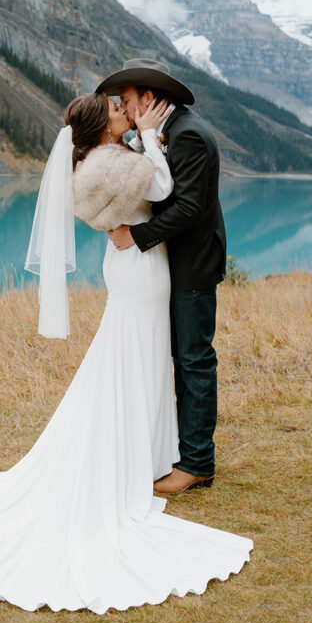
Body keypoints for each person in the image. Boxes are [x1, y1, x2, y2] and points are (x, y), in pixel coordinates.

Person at [0, 86, 252, 615]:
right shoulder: (112, 161)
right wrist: (147, 138)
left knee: (135, 358)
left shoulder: (101, 159)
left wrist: (142, 143)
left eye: (128, 104)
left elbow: (143, 195)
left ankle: (150, 453)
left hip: (133, 267)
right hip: (141, 270)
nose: (126, 111)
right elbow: (163, 186)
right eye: (119, 109)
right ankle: (147, 457)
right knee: (135, 358)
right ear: (104, 126)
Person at [98, 58, 226, 497]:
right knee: (180, 357)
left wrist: (136, 235)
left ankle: (196, 464)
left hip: (191, 265)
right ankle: (177, 450)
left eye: (128, 101)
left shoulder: (187, 134)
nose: (125, 109)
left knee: (193, 360)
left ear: (149, 98)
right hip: (174, 264)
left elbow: (188, 207)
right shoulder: (163, 132)